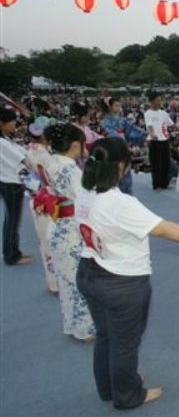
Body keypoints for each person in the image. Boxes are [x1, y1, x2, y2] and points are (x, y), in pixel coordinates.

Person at [75, 138, 179, 409]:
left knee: (106, 336)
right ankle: (128, 394)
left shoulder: (83, 192)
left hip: (89, 271)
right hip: (121, 281)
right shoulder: (120, 202)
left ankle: (109, 387)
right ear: (121, 166)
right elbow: (163, 229)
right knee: (125, 342)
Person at [43, 124, 96, 342]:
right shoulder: (69, 169)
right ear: (75, 145)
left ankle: (72, 324)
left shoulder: (50, 161)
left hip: (58, 225)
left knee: (67, 280)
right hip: (71, 228)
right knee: (79, 280)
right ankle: (84, 328)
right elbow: (84, 198)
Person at [26, 116, 57, 291]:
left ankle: (52, 283)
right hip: (51, 200)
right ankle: (58, 282)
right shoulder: (45, 155)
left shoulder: (28, 151)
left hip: (37, 199)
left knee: (44, 242)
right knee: (54, 241)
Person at [0, 108, 32, 266]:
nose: (15, 125)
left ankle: (12, 252)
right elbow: (24, 159)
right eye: (12, 122)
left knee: (11, 221)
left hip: (9, 182)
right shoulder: (2, 142)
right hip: (10, 183)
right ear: (2, 123)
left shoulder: (5, 139)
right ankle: (11, 255)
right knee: (12, 221)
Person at [100, 97, 146, 195]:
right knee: (115, 175)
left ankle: (127, 196)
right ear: (110, 107)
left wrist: (143, 135)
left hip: (123, 147)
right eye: (116, 105)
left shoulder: (122, 120)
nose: (119, 108)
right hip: (113, 148)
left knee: (126, 174)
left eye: (119, 105)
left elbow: (131, 130)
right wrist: (123, 144)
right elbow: (111, 134)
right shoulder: (105, 121)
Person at [144, 91, 175, 190]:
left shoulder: (163, 113)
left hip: (164, 140)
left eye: (160, 100)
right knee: (156, 163)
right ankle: (157, 184)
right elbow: (149, 126)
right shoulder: (148, 113)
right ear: (152, 102)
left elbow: (171, 124)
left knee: (166, 162)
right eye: (158, 100)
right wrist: (153, 134)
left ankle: (165, 183)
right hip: (155, 141)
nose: (160, 102)